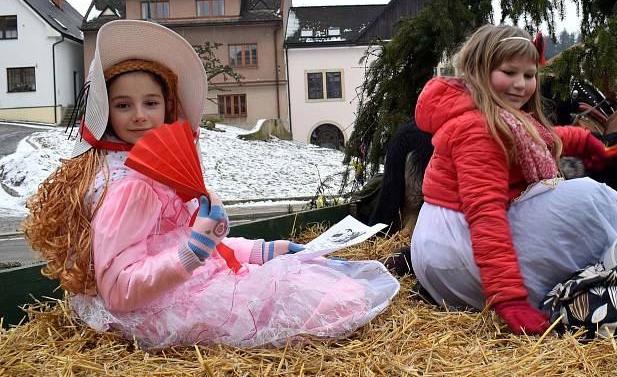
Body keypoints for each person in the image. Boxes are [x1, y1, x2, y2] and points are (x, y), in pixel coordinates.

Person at [23, 20, 399, 348]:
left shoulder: (160, 172)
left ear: (168, 107)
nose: (139, 116)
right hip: (159, 304)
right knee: (315, 300)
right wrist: (195, 250)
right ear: (107, 111)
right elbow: (120, 290)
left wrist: (265, 250)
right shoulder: (130, 188)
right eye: (123, 105)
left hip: (185, 279)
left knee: (317, 280)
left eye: (150, 103)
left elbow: (179, 241)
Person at [410, 24, 617, 335]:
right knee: (589, 198)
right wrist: (508, 298)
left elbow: (537, 136)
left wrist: (582, 141)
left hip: (449, 247)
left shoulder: (498, 116)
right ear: (479, 71)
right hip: (455, 252)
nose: (520, 85)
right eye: (509, 72)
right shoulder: (480, 130)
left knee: (578, 196)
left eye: (529, 75)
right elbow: (485, 214)